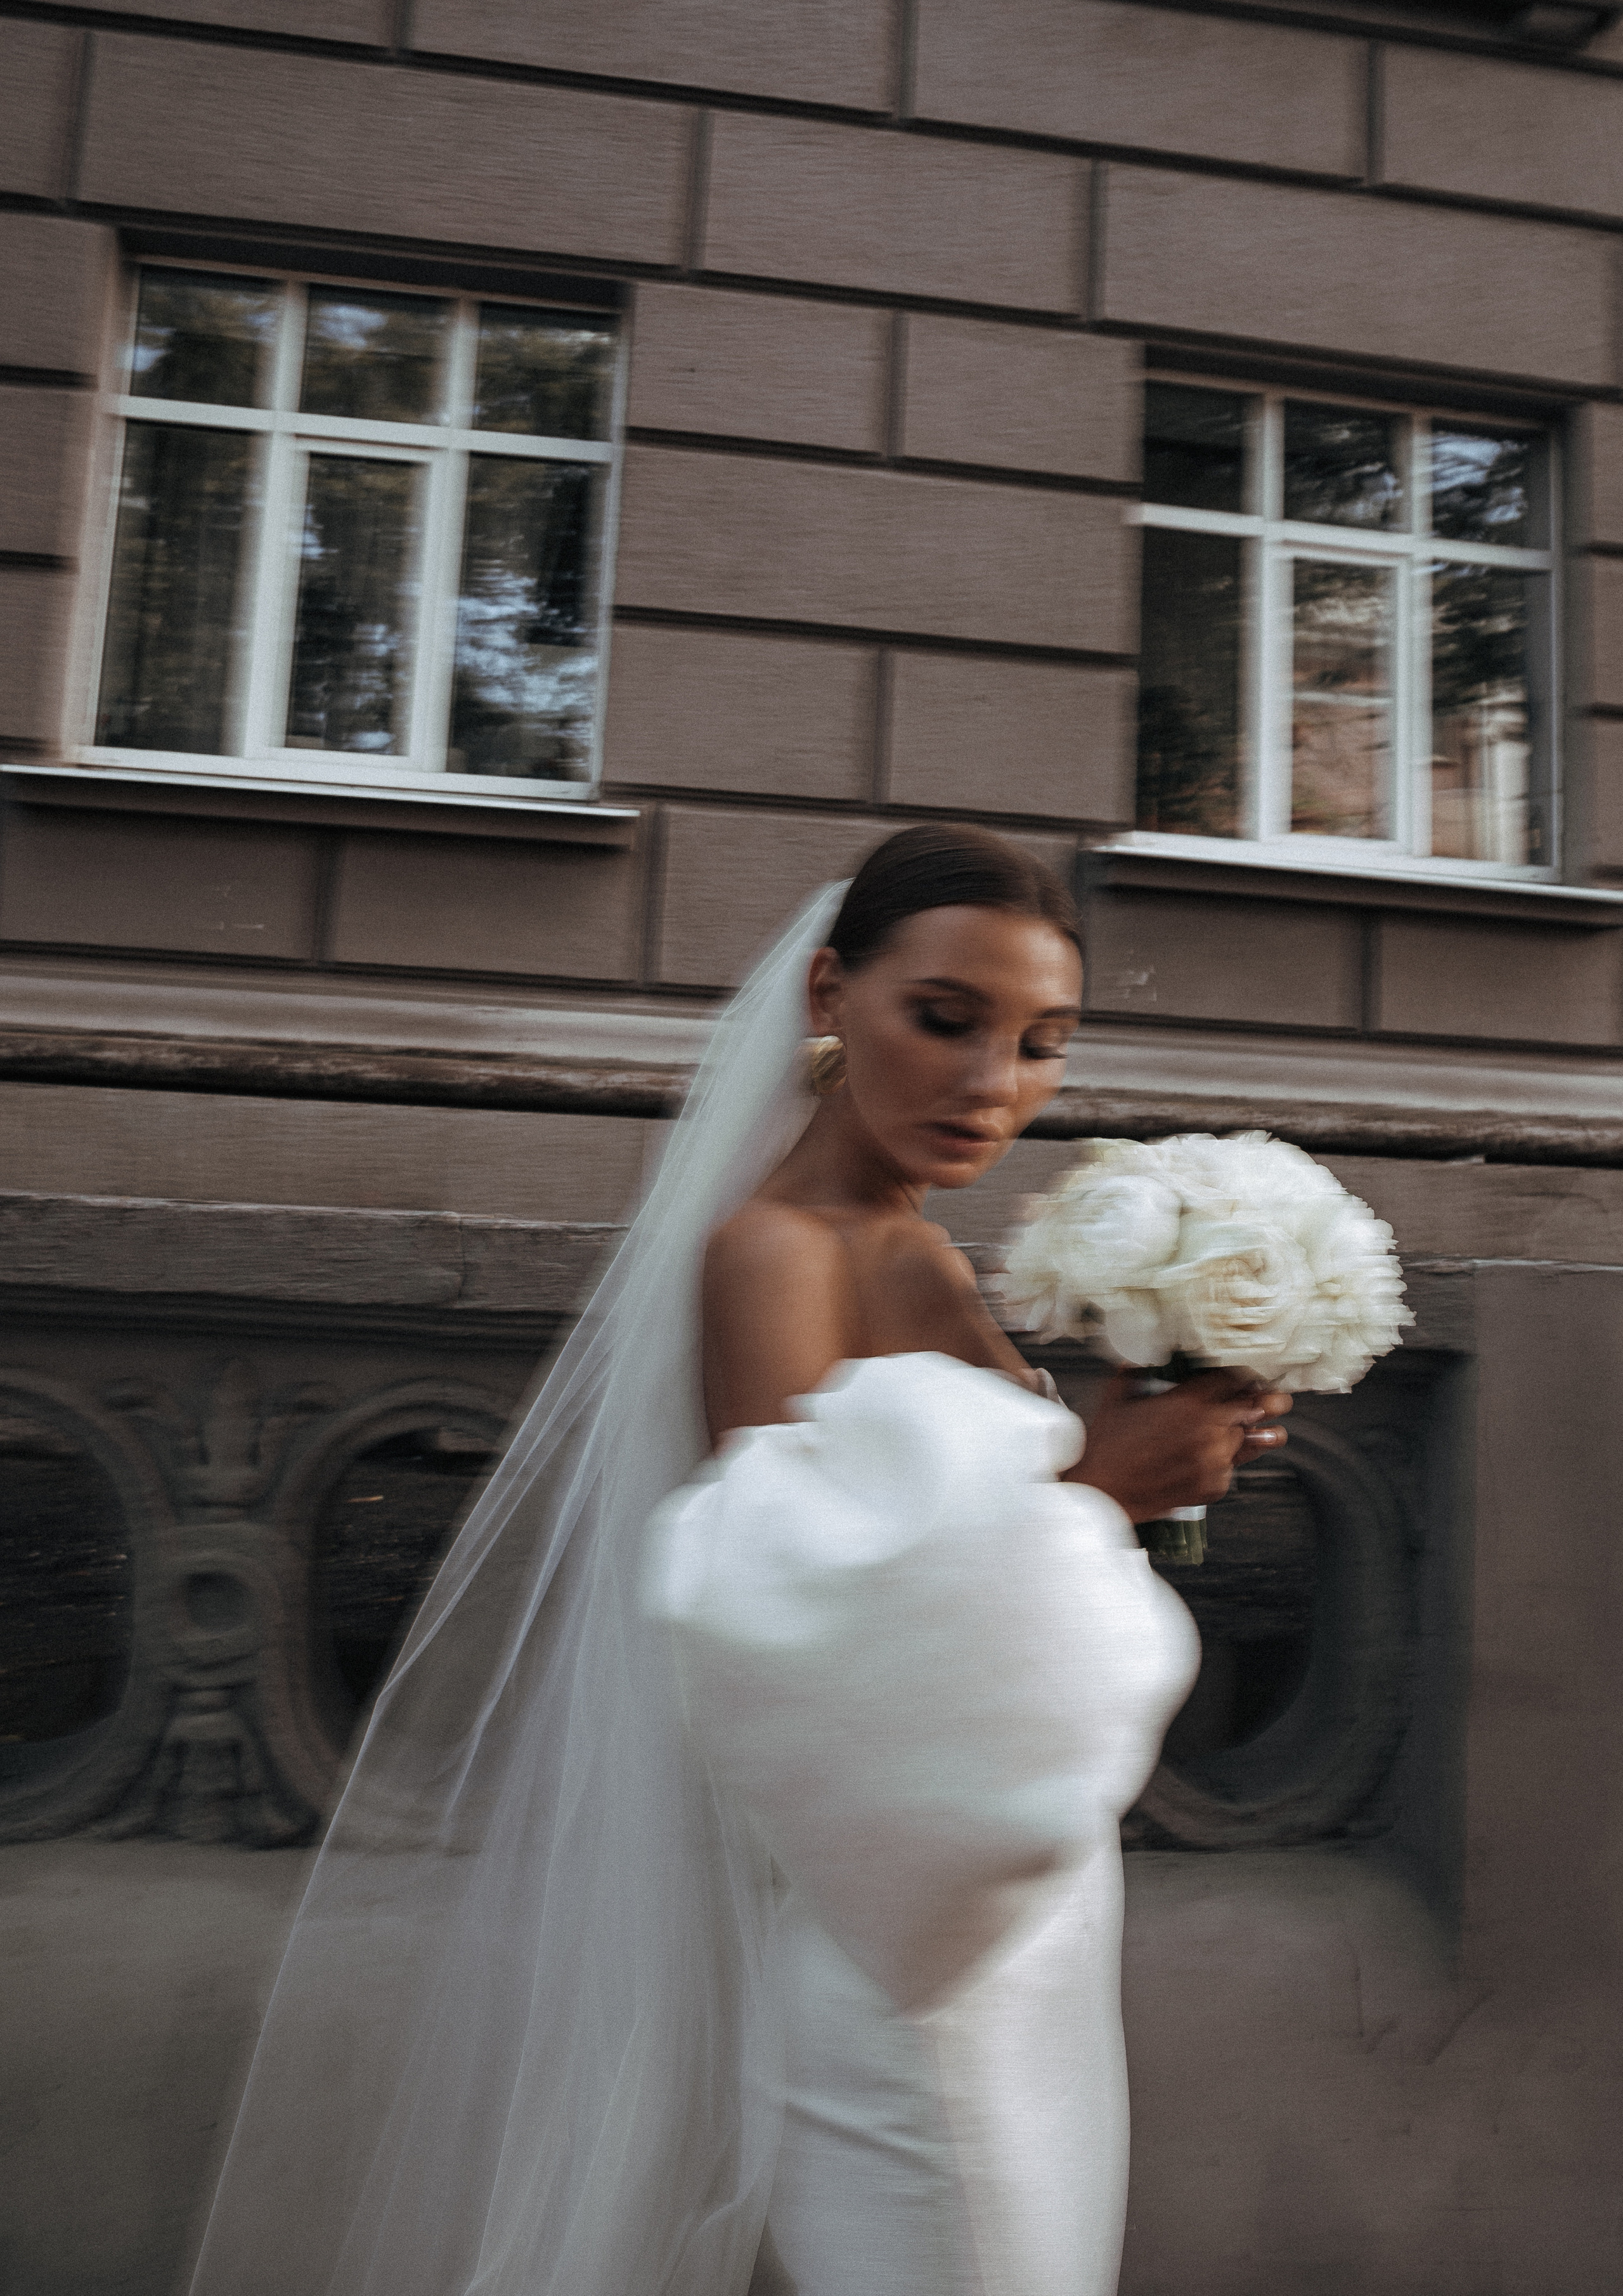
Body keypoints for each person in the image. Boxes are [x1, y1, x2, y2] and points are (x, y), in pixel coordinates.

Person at [188, 826, 1287, 2296]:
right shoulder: (775, 1251)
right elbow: (784, 1617)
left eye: (1040, 1043)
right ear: (829, 994)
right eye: (944, 1018)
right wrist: (1101, 1487)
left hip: (1009, 1918)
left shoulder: (914, 1250)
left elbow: (961, 1568)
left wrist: (1160, 1447)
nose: (991, 1084)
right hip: (892, 1943)